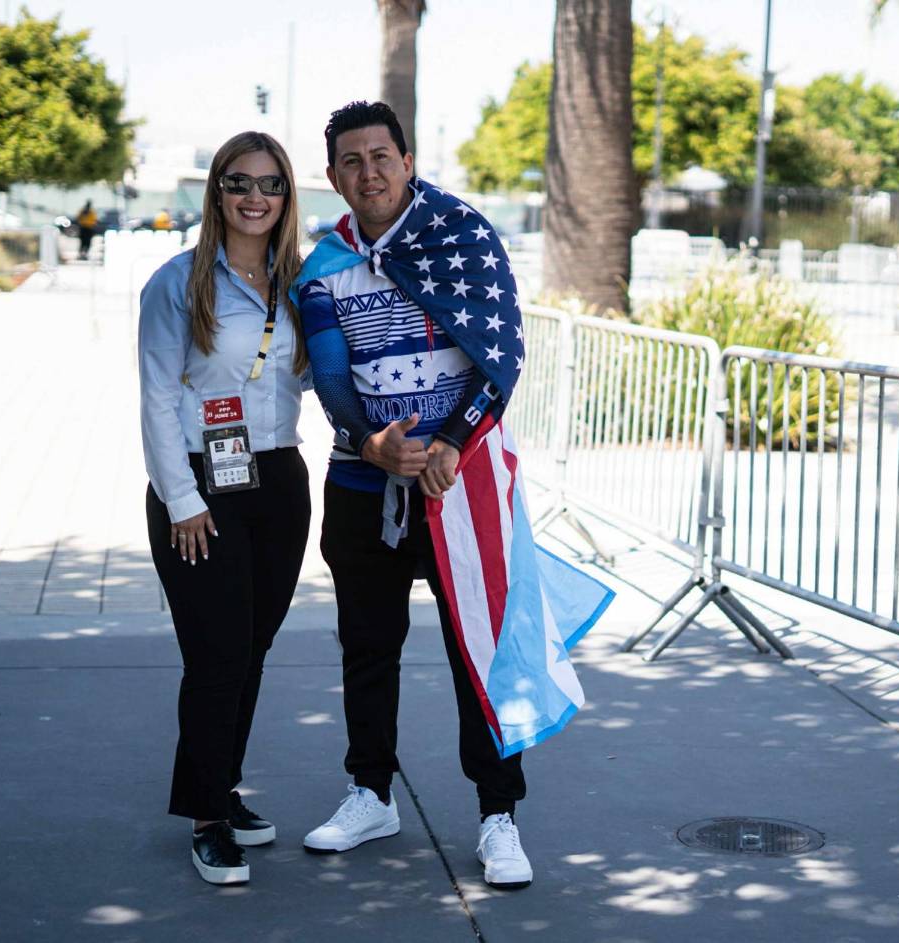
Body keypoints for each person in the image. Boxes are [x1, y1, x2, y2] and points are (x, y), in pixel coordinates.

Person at [294, 101, 535, 889]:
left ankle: (499, 814)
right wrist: (372, 442)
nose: (368, 173)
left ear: (407, 161)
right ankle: (370, 792)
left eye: (380, 156)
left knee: (479, 649)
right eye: (351, 161)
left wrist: (452, 443)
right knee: (367, 646)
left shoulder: (464, 236)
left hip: (457, 486)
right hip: (362, 482)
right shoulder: (324, 265)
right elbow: (331, 375)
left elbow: (501, 355)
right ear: (333, 177)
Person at [139, 131, 311, 886]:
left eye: (270, 184)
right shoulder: (177, 283)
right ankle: (207, 817)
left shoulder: (299, 282)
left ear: (287, 196)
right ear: (216, 191)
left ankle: (222, 787)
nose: (254, 197)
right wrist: (180, 499)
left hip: (279, 480)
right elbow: (155, 398)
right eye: (239, 182)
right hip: (201, 488)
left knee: (252, 649)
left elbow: (317, 376)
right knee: (216, 656)